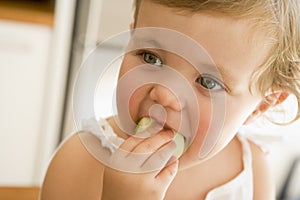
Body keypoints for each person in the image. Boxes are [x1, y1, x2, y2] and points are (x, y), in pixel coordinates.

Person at [40, 0, 300, 199]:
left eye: (208, 82)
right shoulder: (78, 162)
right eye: (151, 57)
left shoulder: (252, 171)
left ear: (262, 105)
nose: (165, 94)